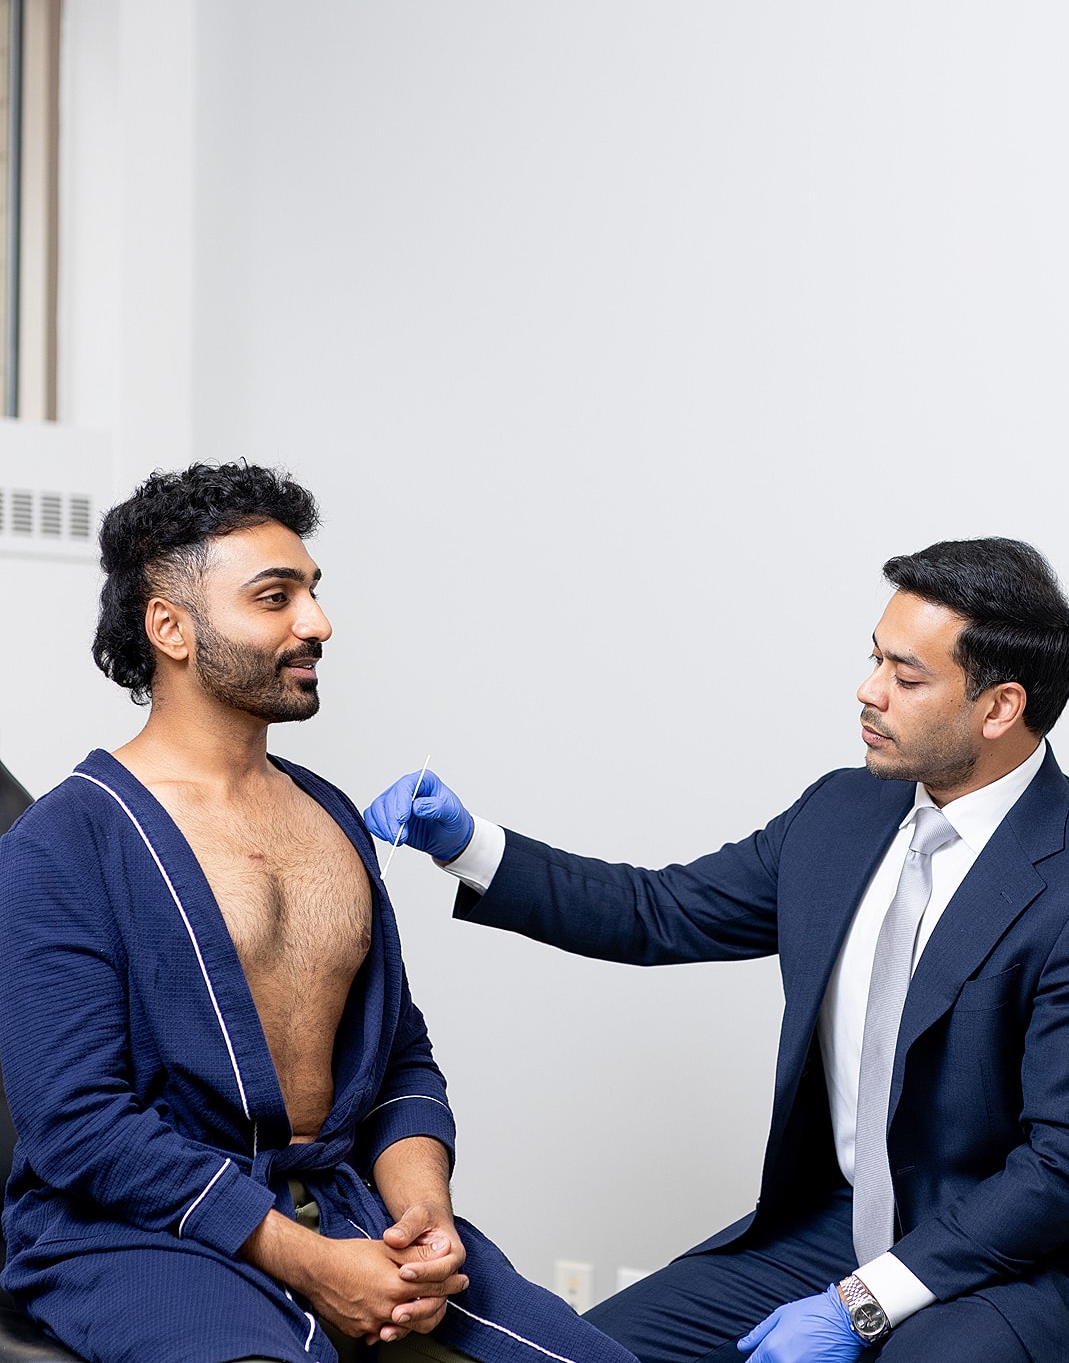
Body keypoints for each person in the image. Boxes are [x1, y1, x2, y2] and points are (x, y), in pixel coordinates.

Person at [365, 538, 1069, 1363]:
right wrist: (471, 846)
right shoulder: (842, 812)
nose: (867, 692)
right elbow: (659, 911)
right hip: (840, 1226)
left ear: (999, 708)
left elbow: (1067, 1168)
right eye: (874, 659)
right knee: (595, 1351)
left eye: (906, 677)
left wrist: (859, 1305)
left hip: (1023, 1266)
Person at [0, 463, 635, 1363]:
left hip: (345, 1205)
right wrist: (310, 1262)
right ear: (170, 627)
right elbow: (78, 1124)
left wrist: (422, 1213)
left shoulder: (328, 815)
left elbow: (399, 1057)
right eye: (275, 597)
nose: (317, 623)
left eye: (312, 591)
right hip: (135, 1234)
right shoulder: (66, 841)